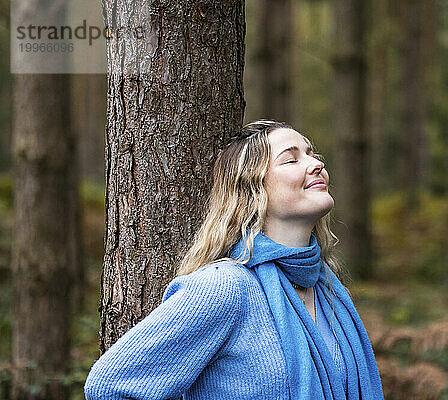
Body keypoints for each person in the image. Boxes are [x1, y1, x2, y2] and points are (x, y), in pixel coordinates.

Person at [84, 120, 384, 400]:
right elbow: (110, 385)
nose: (317, 164)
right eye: (291, 159)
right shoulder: (223, 287)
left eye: (311, 153)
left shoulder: (327, 288)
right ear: (252, 189)